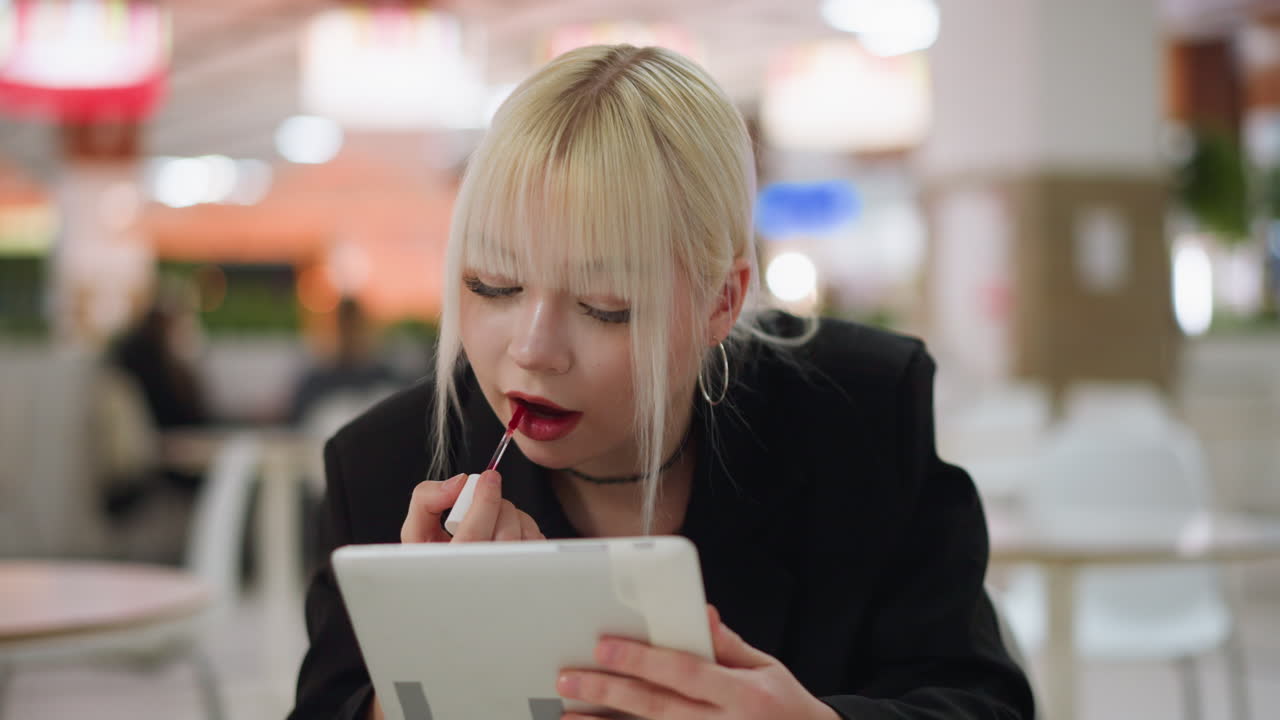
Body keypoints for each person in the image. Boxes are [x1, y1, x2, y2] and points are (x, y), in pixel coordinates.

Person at [290, 45, 1035, 720]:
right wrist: (428, 684)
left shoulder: (860, 414)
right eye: (492, 286)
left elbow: (985, 699)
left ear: (722, 301)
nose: (533, 349)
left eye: (604, 307)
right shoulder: (384, 466)